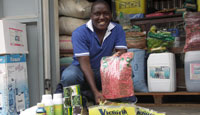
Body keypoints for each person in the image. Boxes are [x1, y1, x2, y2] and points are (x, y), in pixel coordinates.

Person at [56, 0, 135, 104]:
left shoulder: (117, 29)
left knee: (126, 70)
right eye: (97, 14)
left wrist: (116, 59)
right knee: (69, 76)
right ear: (91, 16)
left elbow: (122, 57)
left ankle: (113, 99)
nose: (101, 17)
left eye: (106, 13)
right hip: (82, 70)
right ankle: (75, 104)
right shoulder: (80, 33)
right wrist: (95, 92)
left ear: (111, 15)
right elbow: (85, 65)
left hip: (103, 68)